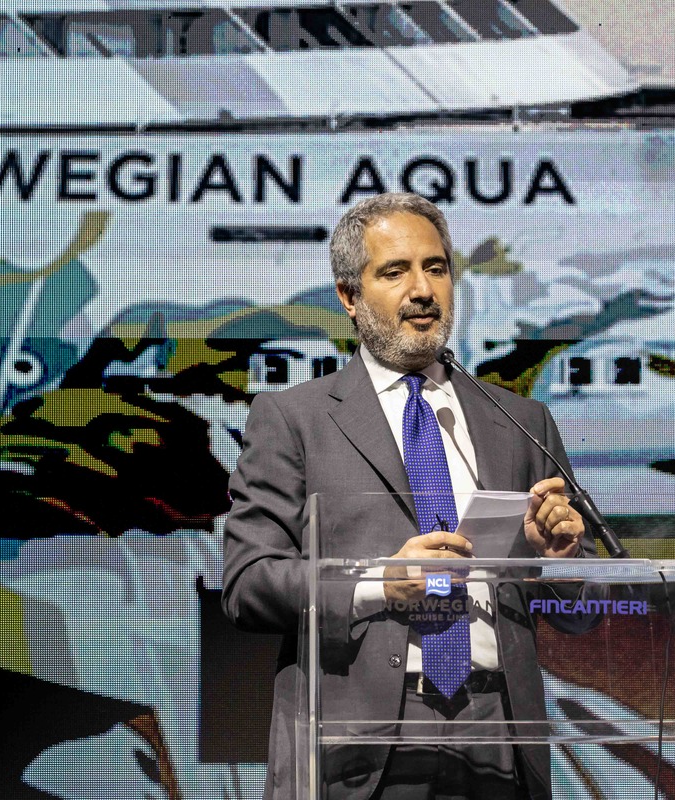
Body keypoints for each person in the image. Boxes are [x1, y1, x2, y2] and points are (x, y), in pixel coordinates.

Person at [222, 192, 595, 800]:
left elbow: (583, 613)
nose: (422, 290)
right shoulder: (295, 419)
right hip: (357, 741)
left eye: (436, 268)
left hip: (500, 729)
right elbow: (248, 584)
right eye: (395, 272)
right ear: (349, 295)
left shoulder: (520, 421)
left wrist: (558, 559)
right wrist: (377, 584)